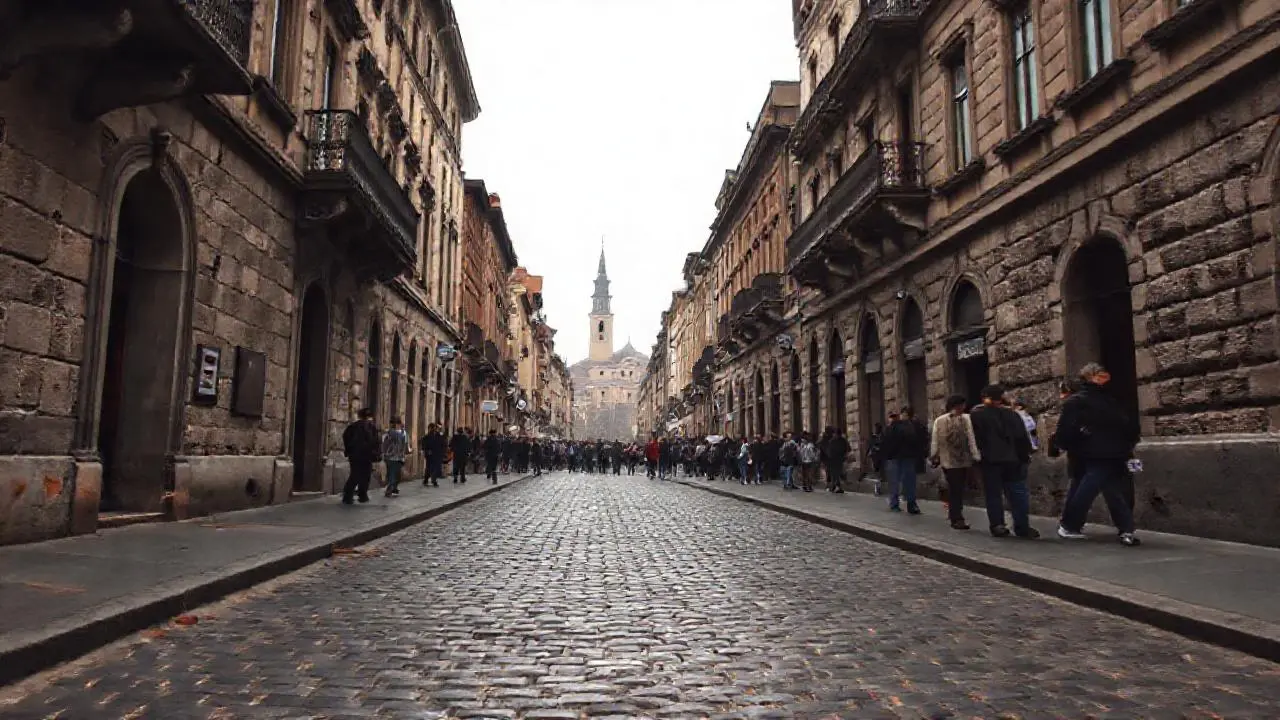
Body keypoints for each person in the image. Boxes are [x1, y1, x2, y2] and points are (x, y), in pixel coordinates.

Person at [1054, 363, 1142, 546]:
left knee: (1104, 490)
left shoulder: (1093, 401)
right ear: (1091, 376)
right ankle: (1125, 529)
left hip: (1101, 453)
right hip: (1106, 453)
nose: (1104, 377)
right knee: (1101, 490)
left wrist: (1070, 444)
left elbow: (1065, 431)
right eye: (1100, 375)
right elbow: (1128, 425)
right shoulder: (1106, 401)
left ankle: (1123, 529)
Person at [970, 385, 1038, 538]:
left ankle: (998, 525)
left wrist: (976, 458)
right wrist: (1024, 457)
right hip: (1013, 460)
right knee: (1017, 493)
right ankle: (1022, 526)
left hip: (990, 461)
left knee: (993, 494)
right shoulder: (1012, 414)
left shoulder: (977, 414)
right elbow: (1022, 438)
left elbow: (974, 439)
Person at [930, 395, 981, 530]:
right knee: (956, 489)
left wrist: (975, 455)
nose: (963, 407)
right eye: (962, 404)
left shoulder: (965, 418)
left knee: (957, 488)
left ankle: (956, 515)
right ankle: (956, 517)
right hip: (951, 460)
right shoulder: (945, 420)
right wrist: (934, 455)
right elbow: (935, 440)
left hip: (961, 460)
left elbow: (971, 438)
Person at [882, 408, 928, 513]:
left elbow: (916, 440)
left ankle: (906, 504)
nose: (893, 418)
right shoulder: (892, 428)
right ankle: (901, 504)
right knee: (899, 482)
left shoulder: (910, 426)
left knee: (905, 482)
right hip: (897, 457)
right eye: (892, 416)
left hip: (905, 457)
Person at [341, 408, 380, 505]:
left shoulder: (352, 426)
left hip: (354, 454)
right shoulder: (371, 427)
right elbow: (375, 441)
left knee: (355, 474)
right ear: (369, 416)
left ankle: (347, 495)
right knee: (365, 475)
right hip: (366, 454)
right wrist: (376, 453)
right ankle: (362, 495)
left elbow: (345, 437)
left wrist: (348, 450)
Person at [381, 417, 410, 498]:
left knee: (393, 474)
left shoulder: (388, 433)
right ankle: (390, 489)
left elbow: (383, 445)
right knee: (394, 474)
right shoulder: (403, 433)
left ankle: (394, 488)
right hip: (396, 457)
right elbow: (406, 445)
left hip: (392, 457)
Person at [823, 427, 850, 493]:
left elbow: (829, 451)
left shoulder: (832, 441)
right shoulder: (843, 440)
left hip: (834, 460)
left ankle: (835, 487)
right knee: (837, 473)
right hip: (839, 460)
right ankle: (836, 487)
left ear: (835, 434)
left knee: (834, 474)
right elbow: (847, 449)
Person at [421, 422, 445, 487]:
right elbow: (424, 445)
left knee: (433, 468)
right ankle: (428, 480)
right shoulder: (427, 436)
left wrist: (442, 453)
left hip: (435, 454)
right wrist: (426, 451)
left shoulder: (438, 436)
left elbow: (442, 444)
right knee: (430, 468)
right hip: (431, 455)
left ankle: (432, 480)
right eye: (432, 428)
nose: (433, 430)